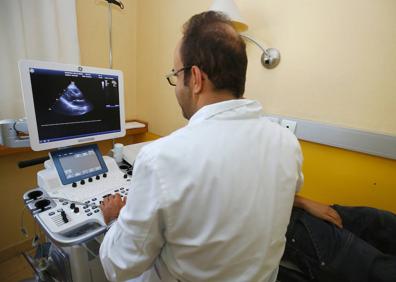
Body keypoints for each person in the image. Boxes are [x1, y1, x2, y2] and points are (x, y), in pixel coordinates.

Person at [99, 11, 303, 282]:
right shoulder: (286, 142)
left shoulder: (161, 158)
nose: (175, 86)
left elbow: (118, 266)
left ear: (195, 78)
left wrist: (116, 219)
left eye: (175, 73)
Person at [279, 195, 396, 282]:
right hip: (284, 229)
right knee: (381, 271)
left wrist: (304, 202)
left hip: (292, 213)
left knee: (381, 222)